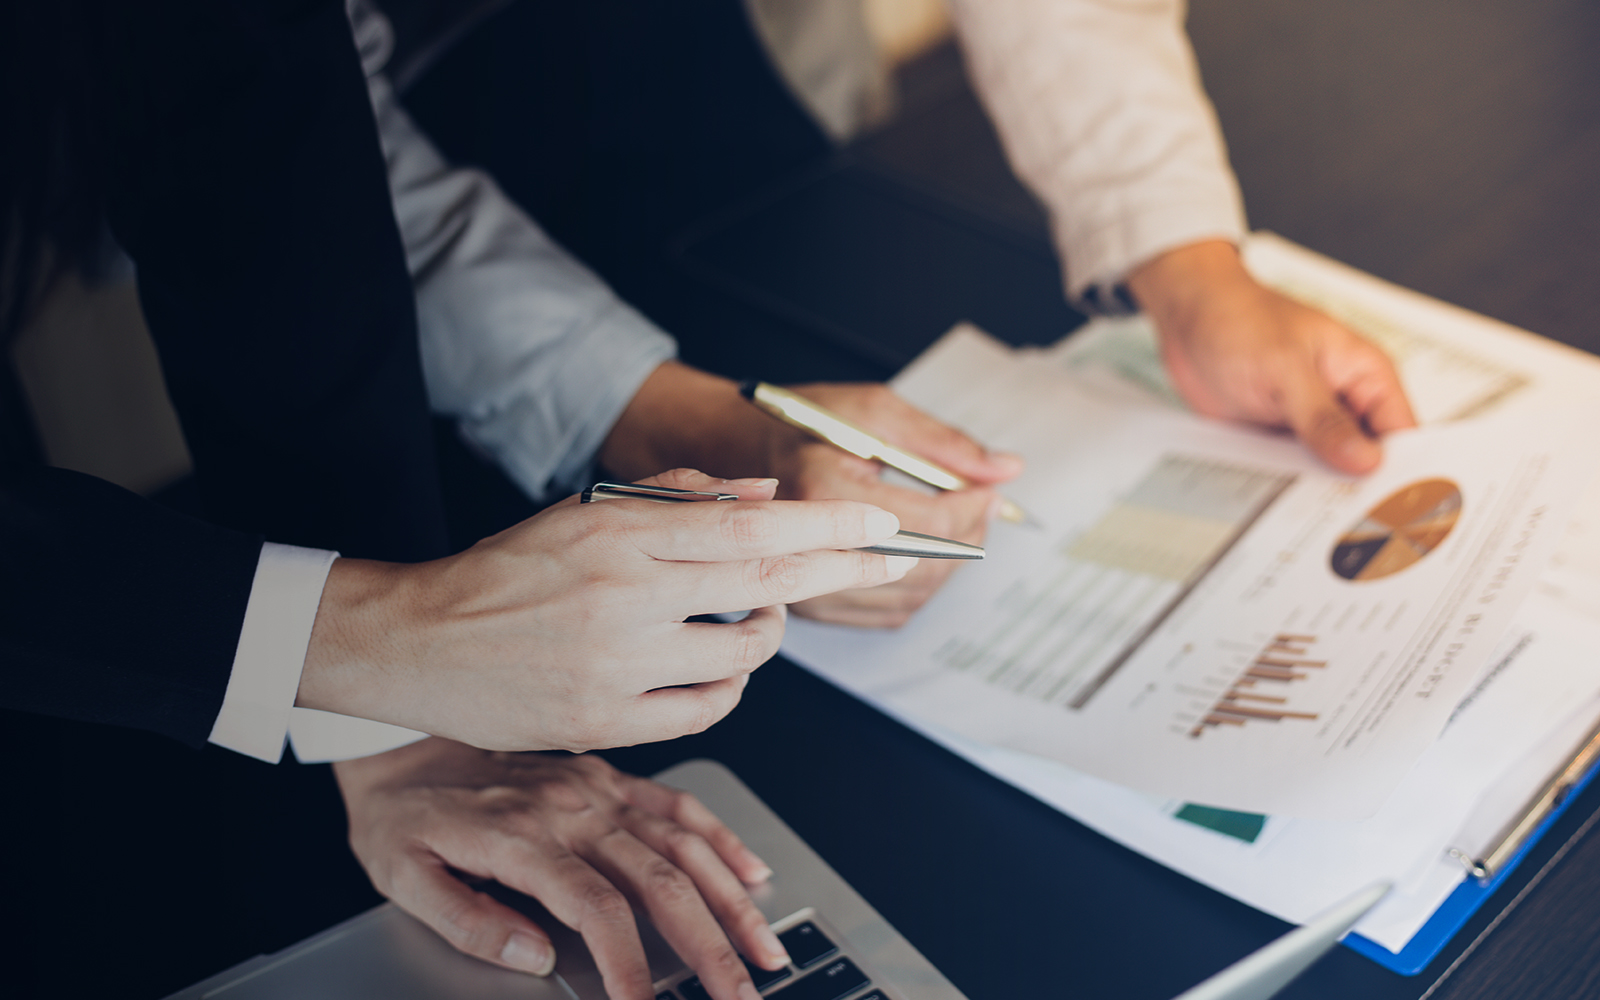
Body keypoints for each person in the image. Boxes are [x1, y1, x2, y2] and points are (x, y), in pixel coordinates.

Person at [0, 2, 1415, 1000]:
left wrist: (1176, 244)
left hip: (704, 138)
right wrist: (367, 651)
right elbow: (292, 162)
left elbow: (260, 143)